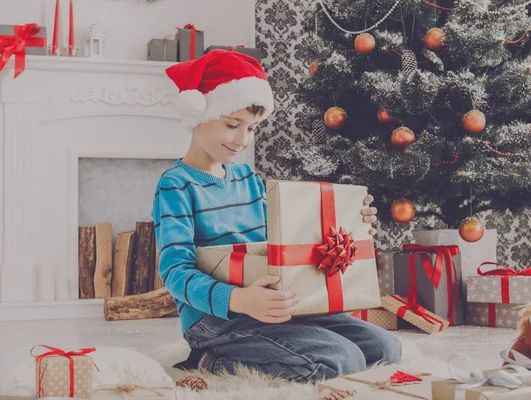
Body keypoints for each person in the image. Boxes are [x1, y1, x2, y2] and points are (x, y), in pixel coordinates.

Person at [151, 49, 401, 383]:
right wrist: (239, 299)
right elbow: (175, 272)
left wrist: (352, 221)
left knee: (386, 349)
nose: (242, 139)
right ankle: (213, 360)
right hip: (215, 319)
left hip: (276, 306)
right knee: (341, 359)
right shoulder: (175, 185)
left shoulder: (248, 179)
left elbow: (294, 236)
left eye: (252, 128)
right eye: (231, 124)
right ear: (198, 115)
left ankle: (278, 342)